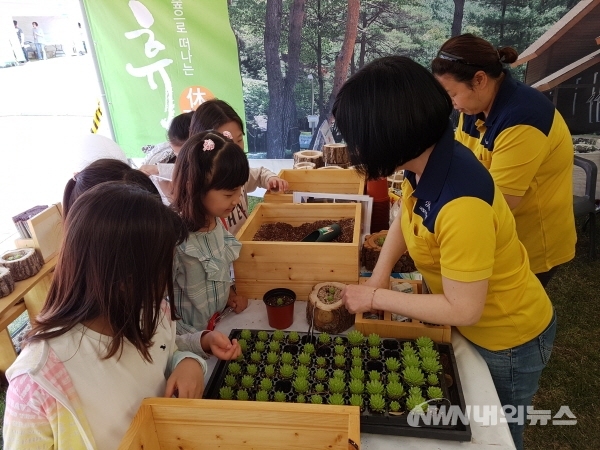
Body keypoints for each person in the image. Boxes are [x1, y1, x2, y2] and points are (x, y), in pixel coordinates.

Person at [333, 56, 556, 450]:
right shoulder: (428, 159)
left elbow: (464, 308)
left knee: (498, 429)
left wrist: (372, 296)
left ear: (390, 134)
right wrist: (380, 276)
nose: (356, 149)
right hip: (478, 325)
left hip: (508, 338)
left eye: (359, 138)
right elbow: (407, 214)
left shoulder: (461, 202)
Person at [2, 182, 238, 449]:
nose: (167, 281)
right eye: (164, 270)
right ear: (126, 282)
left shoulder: (154, 313)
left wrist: (189, 362)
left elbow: (167, 351)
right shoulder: (38, 383)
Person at [431, 33, 576, 287]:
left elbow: (500, 202)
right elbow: (459, 161)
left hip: (531, 239)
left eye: (452, 94)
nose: (452, 104)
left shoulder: (525, 118)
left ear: (479, 80)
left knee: (513, 319)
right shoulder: (474, 105)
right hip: (499, 230)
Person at [62, 159, 241, 359]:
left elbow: (166, 344)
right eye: (157, 263)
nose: (163, 278)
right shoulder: (70, 354)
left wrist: (196, 348)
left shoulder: (148, 308)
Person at [157, 99, 288, 235]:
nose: (235, 149)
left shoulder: (235, 172)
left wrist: (271, 178)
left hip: (242, 243)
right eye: (227, 141)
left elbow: (259, 174)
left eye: (239, 139)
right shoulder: (199, 218)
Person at [171, 131, 251, 338]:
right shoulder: (174, 240)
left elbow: (218, 269)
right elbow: (162, 306)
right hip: (188, 339)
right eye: (228, 194)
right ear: (195, 187)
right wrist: (199, 339)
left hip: (218, 327)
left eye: (239, 191)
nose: (236, 200)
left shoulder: (216, 221)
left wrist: (228, 295)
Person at [139, 112, 193, 204]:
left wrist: (160, 170)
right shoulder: (157, 157)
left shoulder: (213, 158)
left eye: (187, 154)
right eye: (176, 152)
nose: (181, 159)